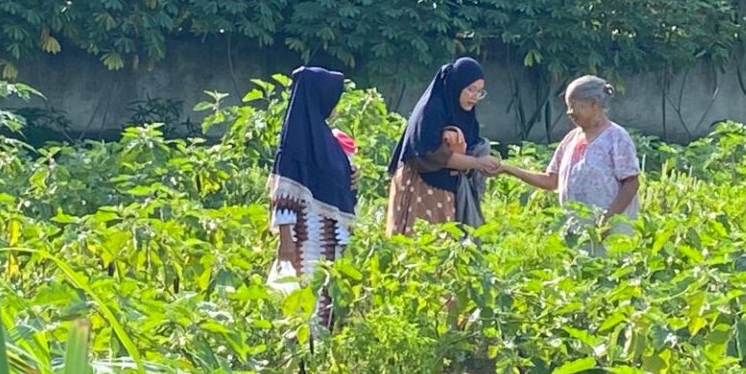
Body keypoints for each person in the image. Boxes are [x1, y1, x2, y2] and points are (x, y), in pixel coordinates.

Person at [497, 75, 640, 231]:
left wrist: (607, 220)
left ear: (593, 104)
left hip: (611, 232)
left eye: (574, 106)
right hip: (576, 231)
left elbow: (631, 183)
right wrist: (508, 169)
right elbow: (552, 181)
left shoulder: (617, 138)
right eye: (568, 106)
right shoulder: (571, 139)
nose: (569, 112)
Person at [386, 57, 499, 235]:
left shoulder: (466, 114)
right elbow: (429, 153)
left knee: (446, 244)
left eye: (480, 91)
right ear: (457, 85)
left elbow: (470, 145)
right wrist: (477, 163)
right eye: (471, 89)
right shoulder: (432, 109)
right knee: (419, 243)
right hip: (420, 185)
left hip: (446, 190)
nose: (475, 96)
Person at [267, 67, 358, 286]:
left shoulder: (323, 137)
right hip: (306, 236)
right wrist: (286, 240)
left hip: (332, 235)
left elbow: (337, 177)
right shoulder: (295, 142)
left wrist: (353, 175)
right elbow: (284, 191)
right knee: (306, 292)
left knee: (327, 292)